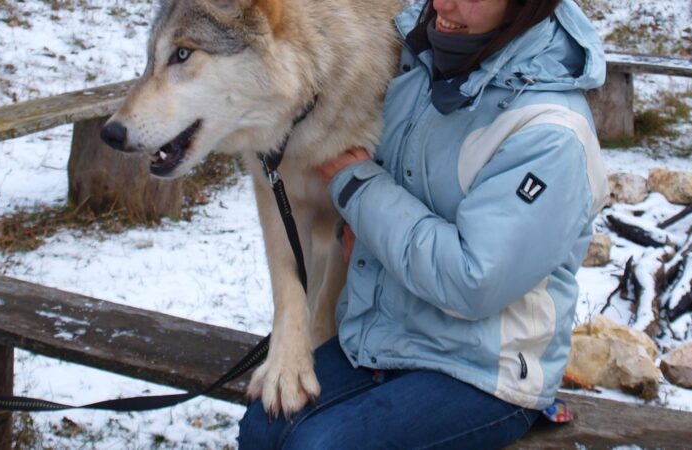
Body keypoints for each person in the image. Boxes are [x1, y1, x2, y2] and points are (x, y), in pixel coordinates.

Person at [238, 0, 608, 447]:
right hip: (387, 337)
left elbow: (475, 281)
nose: (444, 4)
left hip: (484, 370)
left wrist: (358, 189)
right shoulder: (419, 63)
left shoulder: (550, 132)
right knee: (261, 428)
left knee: (324, 445)